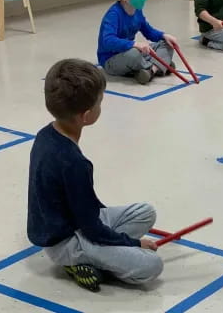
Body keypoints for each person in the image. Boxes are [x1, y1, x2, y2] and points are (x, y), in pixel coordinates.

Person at [27, 58, 163, 292]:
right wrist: (133, 243)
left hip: (75, 222)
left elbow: (88, 212)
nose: (102, 105)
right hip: (65, 241)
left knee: (145, 212)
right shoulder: (74, 163)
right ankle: (83, 261)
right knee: (152, 266)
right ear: (86, 116)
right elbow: (92, 229)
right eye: (101, 102)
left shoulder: (45, 133)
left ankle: (98, 258)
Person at [97, 0, 178, 85]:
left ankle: (151, 70)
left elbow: (148, 31)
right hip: (111, 60)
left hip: (131, 52)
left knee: (167, 44)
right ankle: (158, 66)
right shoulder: (113, 14)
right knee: (134, 54)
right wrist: (134, 44)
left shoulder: (137, 10)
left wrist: (164, 35)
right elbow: (107, 41)